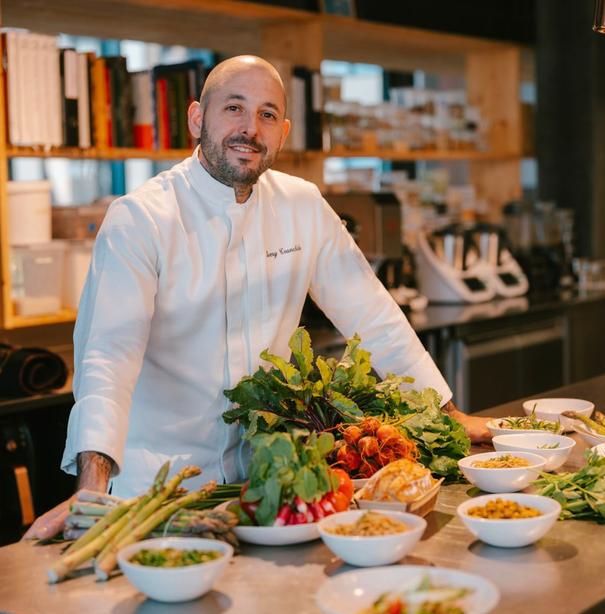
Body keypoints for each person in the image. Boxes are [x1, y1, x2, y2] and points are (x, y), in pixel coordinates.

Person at [25, 55, 489, 539]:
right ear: (197, 118)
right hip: (157, 492)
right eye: (234, 108)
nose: (250, 128)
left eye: (267, 114)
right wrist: (92, 489)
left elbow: (372, 314)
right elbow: (107, 360)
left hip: (263, 487)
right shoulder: (140, 218)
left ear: (283, 133)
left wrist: (450, 416)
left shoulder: (302, 205)